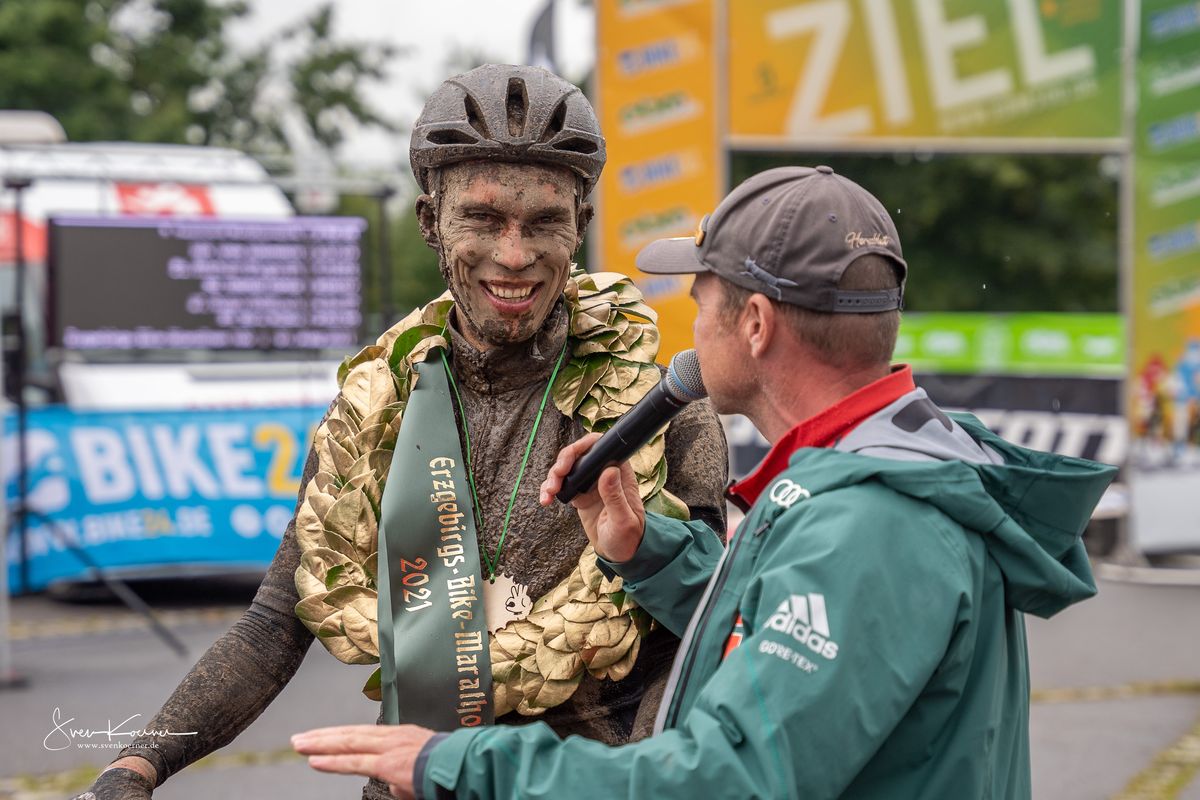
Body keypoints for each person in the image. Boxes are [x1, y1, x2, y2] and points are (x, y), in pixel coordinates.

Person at [291, 165, 1118, 799]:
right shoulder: (877, 472)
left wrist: (459, 761)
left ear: (754, 324)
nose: (688, 330)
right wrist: (643, 551)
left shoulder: (870, 523)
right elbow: (795, 637)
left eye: (700, 298)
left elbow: (724, 779)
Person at [76, 65, 727, 800]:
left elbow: (698, 635)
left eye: (545, 222)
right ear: (429, 221)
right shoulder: (375, 410)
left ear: (580, 224)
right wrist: (137, 766)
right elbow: (274, 624)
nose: (514, 255)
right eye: (483, 219)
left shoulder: (660, 410)